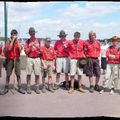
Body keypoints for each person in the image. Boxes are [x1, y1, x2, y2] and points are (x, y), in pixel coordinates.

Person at [1, 29, 25, 95]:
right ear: (11, 35)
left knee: (18, 74)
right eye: (13, 34)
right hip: (10, 59)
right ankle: (6, 87)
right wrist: (12, 41)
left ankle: (20, 87)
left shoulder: (18, 41)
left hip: (16, 59)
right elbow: (9, 48)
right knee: (8, 74)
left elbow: (20, 50)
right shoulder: (8, 41)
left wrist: (17, 41)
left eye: (16, 34)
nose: (14, 36)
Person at [24, 27, 41, 94]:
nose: (32, 34)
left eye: (33, 33)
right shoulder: (27, 41)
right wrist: (30, 47)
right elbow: (26, 52)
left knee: (37, 74)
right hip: (30, 58)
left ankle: (37, 87)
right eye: (31, 33)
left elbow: (41, 51)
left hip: (37, 58)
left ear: (34, 33)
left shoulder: (38, 40)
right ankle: (28, 87)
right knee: (28, 74)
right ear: (29, 34)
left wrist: (37, 47)